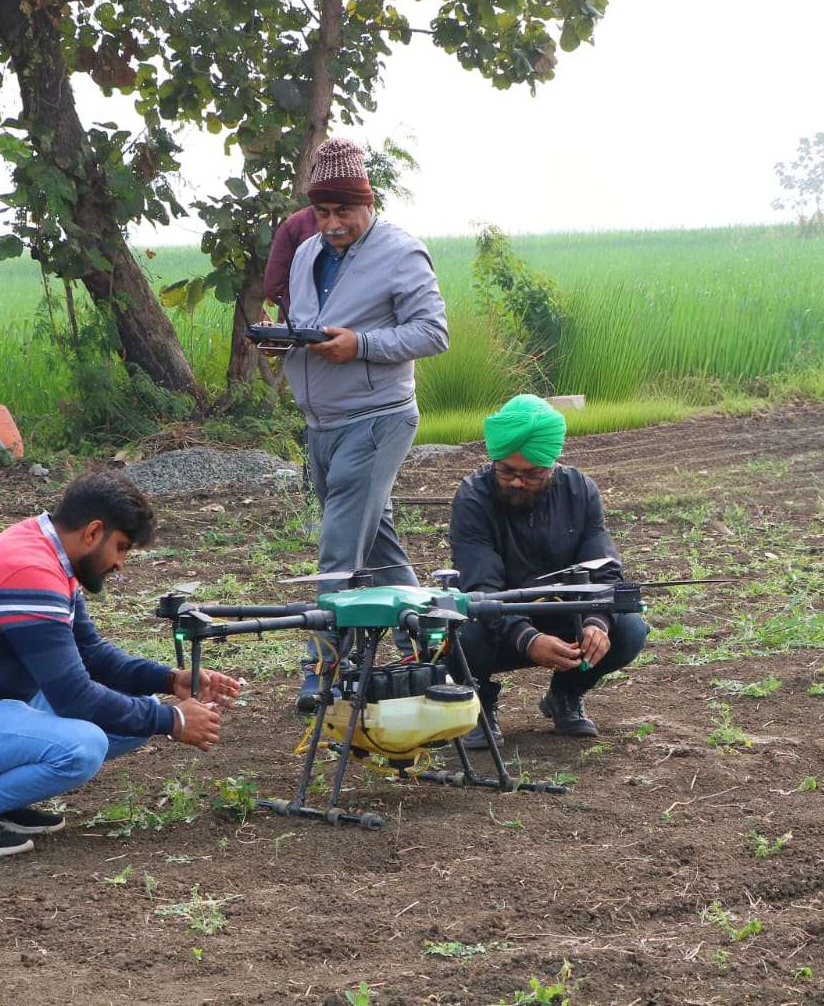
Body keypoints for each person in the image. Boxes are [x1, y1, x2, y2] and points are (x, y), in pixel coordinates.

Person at [0, 472, 241, 859]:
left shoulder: (48, 552)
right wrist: (173, 722)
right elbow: (73, 696)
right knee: (84, 746)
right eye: (120, 547)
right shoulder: (30, 572)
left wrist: (169, 680)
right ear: (93, 532)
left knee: (132, 714)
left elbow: (92, 654)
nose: (120, 564)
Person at [265, 137, 449, 712]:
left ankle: (322, 665)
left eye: (344, 210)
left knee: (339, 548)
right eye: (322, 212)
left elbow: (433, 333)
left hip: (377, 418)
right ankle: (429, 647)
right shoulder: (305, 253)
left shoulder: (401, 252)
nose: (333, 223)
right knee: (380, 547)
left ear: (368, 203)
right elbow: (308, 322)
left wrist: (362, 345)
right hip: (321, 421)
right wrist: (282, 341)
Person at [447, 395, 649, 748]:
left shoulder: (580, 490)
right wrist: (527, 638)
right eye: (506, 470)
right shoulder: (473, 497)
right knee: (464, 633)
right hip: (499, 620)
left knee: (629, 629)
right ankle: (480, 705)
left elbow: (605, 571)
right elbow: (481, 586)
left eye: (532, 474)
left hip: (564, 614)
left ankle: (566, 696)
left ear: (551, 465)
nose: (517, 482)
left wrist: (595, 624)